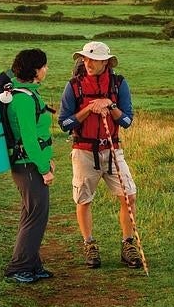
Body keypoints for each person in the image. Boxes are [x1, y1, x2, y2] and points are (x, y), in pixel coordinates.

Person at [58, 41, 141, 269]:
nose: (87, 63)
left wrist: (110, 105)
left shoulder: (119, 84)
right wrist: (88, 109)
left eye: (92, 59)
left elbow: (126, 120)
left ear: (105, 62)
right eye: (84, 59)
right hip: (83, 151)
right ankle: (90, 244)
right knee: (83, 199)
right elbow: (64, 124)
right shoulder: (74, 86)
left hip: (113, 150)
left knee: (129, 196)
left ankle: (127, 244)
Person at [4, 48, 55, 284]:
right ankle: (19, 267)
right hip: (28, 166)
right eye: (43, 66)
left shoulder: (27, 93)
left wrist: (47, 159)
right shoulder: (23, 99)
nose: (46, 70)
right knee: (36, 215)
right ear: (35, 70)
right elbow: (29, 140)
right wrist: (44, 169)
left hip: (29, 164)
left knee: (32, 213)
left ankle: (32, 264)